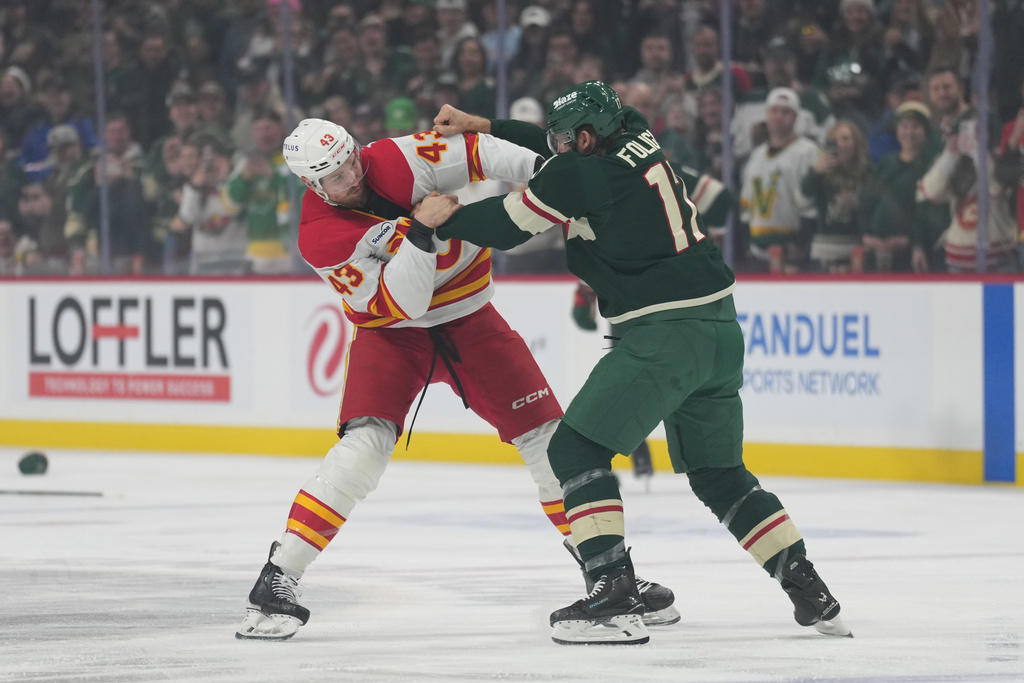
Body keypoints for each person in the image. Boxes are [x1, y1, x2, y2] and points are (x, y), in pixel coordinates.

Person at [428, 80, 850, 645]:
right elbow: (558, 151)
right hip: (719, 330)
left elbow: (506, 227)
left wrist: (443, 218)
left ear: (584, 138)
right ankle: (809, 589)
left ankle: (613, 593)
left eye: (564, 139)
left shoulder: (581, 174)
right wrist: (485, 125)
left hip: (663, 332)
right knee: (720, 475)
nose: (555, 146)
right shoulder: (636, 134)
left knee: (574, 449)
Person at [235, 116, 678, 640]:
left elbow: (479, 152)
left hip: (472, 319)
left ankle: (608, 574)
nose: (352, 177)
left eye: (351, 160)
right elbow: (407, 302)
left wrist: (548, 173)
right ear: (313, 186)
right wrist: (421, 231)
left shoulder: (394, 157)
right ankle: (278, 576)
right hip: (393, 334)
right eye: (335, 177)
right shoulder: (321, 237)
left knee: (549, 442)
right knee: (363, 449)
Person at [739, 87, 820, 272]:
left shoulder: (809, 152)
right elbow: (745, 207)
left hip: (794, 252)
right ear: (766, 114)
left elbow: (812, 205)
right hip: (757, 252)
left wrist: (802, 245)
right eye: (774, 111)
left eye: (785, 112)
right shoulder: (756, 156)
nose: (779, 116)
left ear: (796, 116)